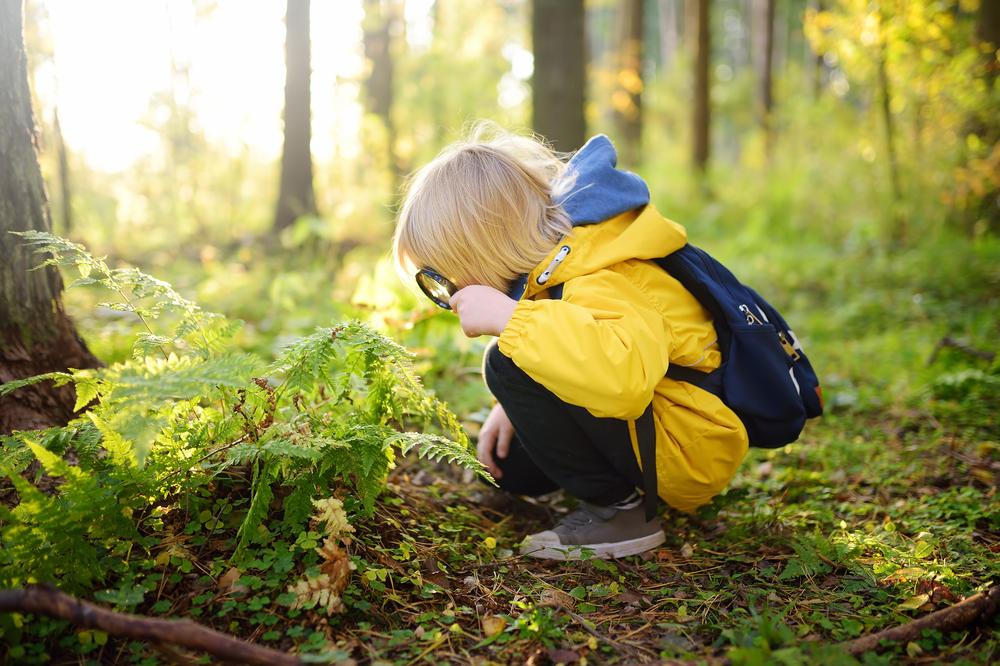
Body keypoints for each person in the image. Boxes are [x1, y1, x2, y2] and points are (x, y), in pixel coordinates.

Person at [391, 123, 748, 560]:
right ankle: (604, 491)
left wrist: (511, 321)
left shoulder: (600, 271)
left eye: (440, 277)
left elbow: (624, 378)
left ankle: (621, 515)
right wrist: (513, 404)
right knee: (512, 469)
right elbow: (574, 339)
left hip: (687, 445)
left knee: (503, 361)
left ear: (482, 250)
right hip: (659, 428)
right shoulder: (554, 267)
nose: (444, 294)